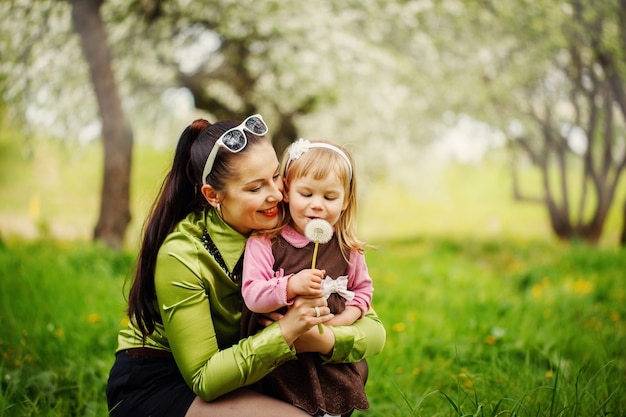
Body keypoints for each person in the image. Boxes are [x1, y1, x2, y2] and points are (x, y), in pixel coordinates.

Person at [105, 115, 386, 417]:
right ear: (213, 196)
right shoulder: (183, 254)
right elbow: (204, 377)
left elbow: (372, 329)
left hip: (240, 367)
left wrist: (323, 339)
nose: (276, 195)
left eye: (276, 177)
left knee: (353, 367)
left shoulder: (294, 229)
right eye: (255, 189)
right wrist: (286, 333)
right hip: (166, 382)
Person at [241, 138, 375, 417]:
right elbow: (253, 294)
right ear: (287, 192)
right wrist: (291, 285)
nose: (317, 206)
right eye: (306, 194)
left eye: (329, 197)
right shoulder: (266, 242)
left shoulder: (347, 247)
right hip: (281, 361)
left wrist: (340, 322)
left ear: (345, 201)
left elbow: (363, 291)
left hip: (327, 359)